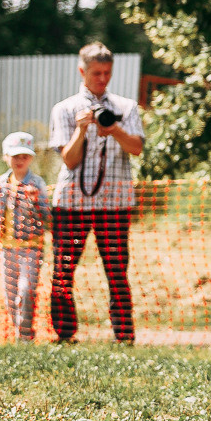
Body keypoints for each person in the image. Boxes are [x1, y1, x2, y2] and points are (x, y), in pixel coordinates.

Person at [49, 42, 144, 345]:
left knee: (117, 271)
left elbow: (137, 148)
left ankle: (124, 337)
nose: (102, 79)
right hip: (72, 203)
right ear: (82, 71)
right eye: (96, 73)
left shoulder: (125, 107)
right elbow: (68, 159)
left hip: (114, 202)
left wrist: (114, 129)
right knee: (63, 271)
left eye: (107, 73)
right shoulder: (65, 108)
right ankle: (64, 335)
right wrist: (81, 129)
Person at [0, 132, 51, 342]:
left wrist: (36, 200)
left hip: (31, 247)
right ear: (5, 157)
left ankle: (25, 335)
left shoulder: (37, 183)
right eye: (15, 156)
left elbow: (47, 216)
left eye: (24, 157)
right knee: (10, 295)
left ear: (31, 158)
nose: (20, 161)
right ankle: (20, 332)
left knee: (27, 290)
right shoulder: (1, 182)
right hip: (7, 247)